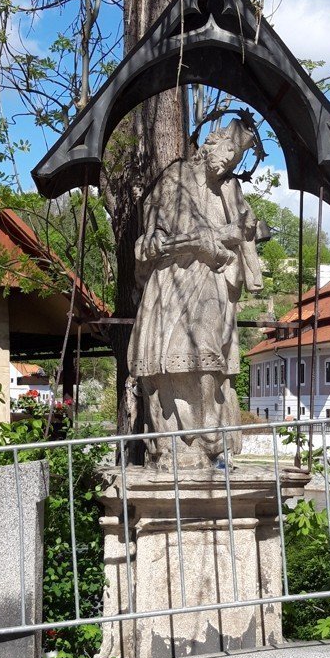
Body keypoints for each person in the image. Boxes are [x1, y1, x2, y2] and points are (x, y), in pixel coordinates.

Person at [127, 115, 263, 468]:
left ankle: (210, 437)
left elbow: (239, 248)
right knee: (162, 364)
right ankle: (172, 443)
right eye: (228, 150)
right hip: (169, 284)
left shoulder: (229, 192)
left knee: (204, 353)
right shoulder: (174, 179)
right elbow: (150, 240)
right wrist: (167, 242)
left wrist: (224, 243)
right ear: (212, 144)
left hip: (209, 282)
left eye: (235, 158)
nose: (229, 160)